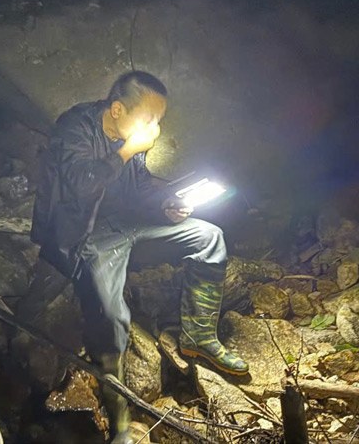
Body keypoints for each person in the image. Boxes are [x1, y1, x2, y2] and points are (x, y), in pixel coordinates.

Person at [29, 71, 248, 444]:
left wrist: (166, 204)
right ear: (117, 109)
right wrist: (127, 149)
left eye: (158, 120)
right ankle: (119, 422)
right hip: (85, 236)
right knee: (112, 316)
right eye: (149, 118)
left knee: (209, 237)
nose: (154, 128)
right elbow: (80, 186)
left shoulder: (131, 139)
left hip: (131, 225)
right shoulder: (75, 129)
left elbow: (137, 184)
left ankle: (199, 337)